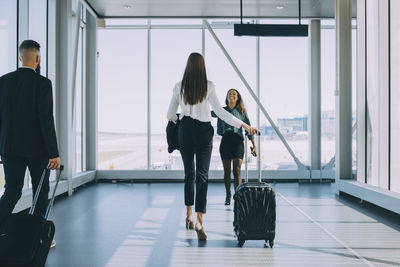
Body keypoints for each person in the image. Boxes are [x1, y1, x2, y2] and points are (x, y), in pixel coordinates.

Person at [167, 52, 258, 240]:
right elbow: (220, 112)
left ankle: (189, 216)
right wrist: (243, 124)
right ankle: (200, 221)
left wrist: (181, 117)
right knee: (202, 175)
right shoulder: (208, 86)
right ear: (202, 66)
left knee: (189, 175)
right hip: (203, 131)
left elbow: (169, 115)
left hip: (185, 129)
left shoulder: (178, 87)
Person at [0, 40, 61, 247]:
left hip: (9, 148)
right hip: (38, 149)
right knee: (40, 190)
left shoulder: (3, 81)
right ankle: (38, 236)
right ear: (38, 58)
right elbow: (45, 118)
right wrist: (54, 153)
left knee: (12, 191)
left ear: (20, 57)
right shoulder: (43, 83)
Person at [212, 89, 257, 206]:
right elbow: (207, 113)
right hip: (226, 141)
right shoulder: (221, 111)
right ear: (227, 97)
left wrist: (254, 146)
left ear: (237, 98)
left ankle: (238, 195)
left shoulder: (241, 111)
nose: (231, 95)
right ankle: (228, 194)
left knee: (237, 171)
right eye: (229, 94)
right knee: (227, 171)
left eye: (234, 94)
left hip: (238, 141)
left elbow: (249, 128)